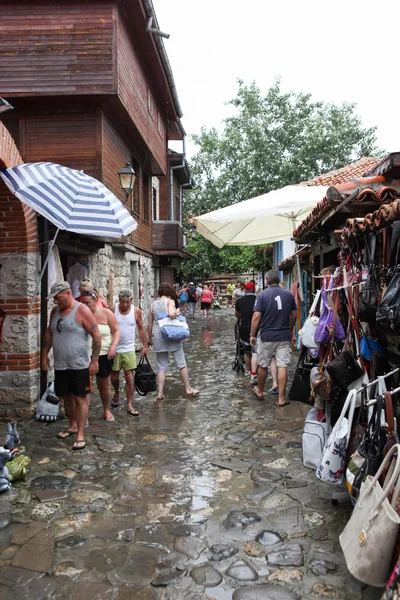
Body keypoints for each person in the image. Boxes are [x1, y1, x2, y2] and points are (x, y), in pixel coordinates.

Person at [41, 281, 102, 450]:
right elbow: (49, 333)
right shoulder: (55, 312)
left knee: (80, 398)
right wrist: (44, 354)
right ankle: (73, 425)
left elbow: (96, 336)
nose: (55, 301)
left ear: (67, 293)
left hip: (79, 365)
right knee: (66, 396)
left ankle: (81, 433)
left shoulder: (82, 310)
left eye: (57, 297)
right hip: (61, 364)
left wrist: (94, 360)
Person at [250, 270, 297, 407]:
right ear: (278, 280)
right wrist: (290, 328)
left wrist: (252, 335)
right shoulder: (288, 295)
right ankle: (282, 398)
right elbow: (294, 314)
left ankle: (259, 390)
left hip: (267, 336)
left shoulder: (262, 295)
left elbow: (256, 316)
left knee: (263, 364)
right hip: (283, 336)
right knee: (282, 365)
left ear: (267, 281)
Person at [148, 283, 200, 401]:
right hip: (171, 334)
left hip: (159, 336)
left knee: (161, 366)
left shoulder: (152, 305)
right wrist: (177, 312)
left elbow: (149, 324)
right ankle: (188, 388)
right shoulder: (170, 301)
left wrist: (149, 339)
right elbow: (171, 314)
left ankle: (160, 393)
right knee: (181, 363)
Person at [80, 289, 120, 422]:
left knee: (104, 385)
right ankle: (84, 415)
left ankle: (106, 409)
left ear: (95, 301)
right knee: (86, 385)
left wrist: (113, 346)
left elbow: (116, 330)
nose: (84, 305)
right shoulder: (79, 314)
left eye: (87, 302)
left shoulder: (106, 313)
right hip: (85, 355)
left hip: (104, 354)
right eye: (82, 302)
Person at [111, 290, 148, 417]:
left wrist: (145, 345)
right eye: (123, 302)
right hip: (114, 348)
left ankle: (130, 404)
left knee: (129, 377)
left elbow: (141, 328)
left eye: (128, 302)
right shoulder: (112, 310)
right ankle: (116, 392)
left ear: (131, 301)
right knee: (114, 377)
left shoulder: (136, 311)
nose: (125, 305)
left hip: (129, 348)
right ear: (119, 301)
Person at [235, 281, 258, 385]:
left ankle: (248, 370)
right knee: (255, 351)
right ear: (254, 289)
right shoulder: (259, 299)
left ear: (245, 289)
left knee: (246, 351)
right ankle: (255, 372)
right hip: (257, 328)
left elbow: (237, 315)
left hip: (244, 328)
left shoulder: (240, 301)